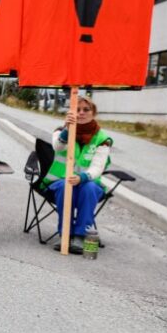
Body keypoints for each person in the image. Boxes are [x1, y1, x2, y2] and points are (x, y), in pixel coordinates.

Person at [43, 95, 113, 254]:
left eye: (86, 110)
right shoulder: (60, 131)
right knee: (64, 186)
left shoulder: (102, 139)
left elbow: (97, 167)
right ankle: (65, 235)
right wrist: (67, 129)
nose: (81, 113)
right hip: (60, 182)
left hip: (88, 183)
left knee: (89, 188)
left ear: (93, 113)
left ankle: (81, 236)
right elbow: (57, 147)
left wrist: (82, 177)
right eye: (77, 110)